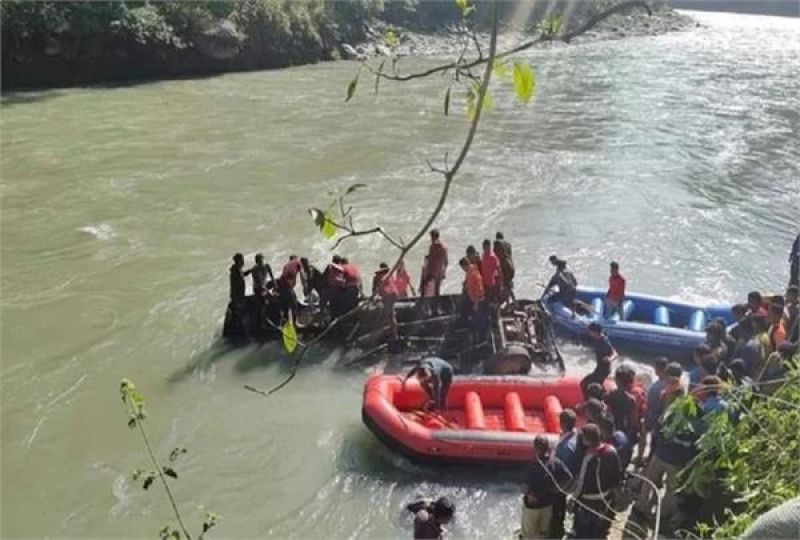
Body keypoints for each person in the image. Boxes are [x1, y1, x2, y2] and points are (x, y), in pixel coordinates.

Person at [573, 424, 623, 539]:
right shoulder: (612, 451)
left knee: (583, 532)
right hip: (605, 500)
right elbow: (617, 477)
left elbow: (581, 483)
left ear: (586, 440)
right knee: (598, 530)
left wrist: (574, 499)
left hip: (587, 502)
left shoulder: (588, 458)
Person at [521, 436, 573, 539]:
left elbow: (525, 488)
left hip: (533, 507)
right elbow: (569, 477)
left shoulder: (532, 465)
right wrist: (558, 489)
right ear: (548, 448)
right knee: (544, 534)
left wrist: (527, 493)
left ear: (535, 448)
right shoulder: (556, 463)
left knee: (528, 535)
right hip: (548, 506)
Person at [551, 409, 580, 539]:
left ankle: (556, 531)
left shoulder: (566, 447)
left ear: (562, 423)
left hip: (561, 485)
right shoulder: (576, 436)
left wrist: (557, 487)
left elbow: (565, 471)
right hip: (567, 483)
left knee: (557, 510)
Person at [639, 357, 669, 464]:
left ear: (658, 369)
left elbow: (650, 404)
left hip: (653, 416)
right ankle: (650, 459)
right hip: (664, 418)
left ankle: (640, 457)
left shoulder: (656, 387)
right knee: (655, 441)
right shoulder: (671, 384)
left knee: (643, 434)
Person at [580, 323, 618, 399]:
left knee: (584, 384)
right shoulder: (599, 337)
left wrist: (610, 358)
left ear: (595, 332)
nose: (589, 333)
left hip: (603, 370)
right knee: (593, 385)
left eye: (590, 332)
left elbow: (615, 353)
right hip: (599, 369)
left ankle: (591, 402)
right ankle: (599, 399)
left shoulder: (604, 341)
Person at [460, 257, 488, 344]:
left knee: (478, 321)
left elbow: (478, 291)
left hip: (479, 301)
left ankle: (481, 340)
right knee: (477, 319)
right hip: (474, 300)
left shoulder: (473, 274)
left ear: (465, 266)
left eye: (462, 268)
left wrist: (476, 304)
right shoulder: (470, 271)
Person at [277, 255, 304, 322]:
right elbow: (302, 275)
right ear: (296, 258)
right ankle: (296, 323)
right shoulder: (297, 262)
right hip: (287, 286)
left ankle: (286, 323)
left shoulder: (286, 265)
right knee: (294, 304)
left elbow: (283, 276)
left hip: (281, 286)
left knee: (286, 305)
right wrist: (305, 285)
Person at [424, 229, 448, 299]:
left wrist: (428, 274)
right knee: (437, 290)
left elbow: (431, 261)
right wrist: (444, 272)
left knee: (425, 289)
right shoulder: (444, 247)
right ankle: (437, 305)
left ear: (432, 237)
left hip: (433, 271)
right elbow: (446, 262)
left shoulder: (433, 246)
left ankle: (428, 305)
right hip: (440, 271)